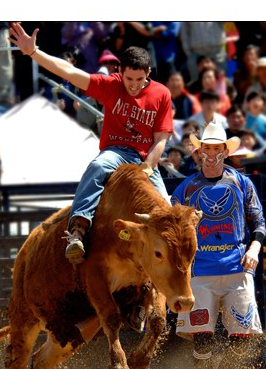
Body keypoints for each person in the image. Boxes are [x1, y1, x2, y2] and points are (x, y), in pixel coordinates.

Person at [9, 23, 173, 264]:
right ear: (120, 71)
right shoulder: (111, 85)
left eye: (139, 79)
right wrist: (34, 52)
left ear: (148, 72)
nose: (133, 85)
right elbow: (69, 71)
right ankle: (78, 230)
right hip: (116, 152)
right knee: (98, 166)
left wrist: (148, 167)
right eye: (129, 78)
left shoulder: (162, 94)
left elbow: (161, 139)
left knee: (168, 211)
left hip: (146, 159)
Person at [171, 122, 266, 369]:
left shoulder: (241, 183)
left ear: (225, 151)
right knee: (202, 338)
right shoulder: (186, 189)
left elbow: (258, 220)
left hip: (238, 268)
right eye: (207, 149)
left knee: (244, 335)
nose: (211, 154)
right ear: (199, 151)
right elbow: (172, 227)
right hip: (200, 273)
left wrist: (255, 248)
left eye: (217, 149)